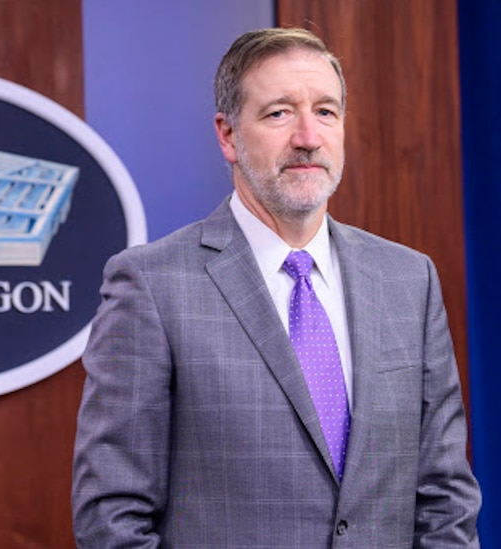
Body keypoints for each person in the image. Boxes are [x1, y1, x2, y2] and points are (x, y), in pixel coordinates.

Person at [71, 27, 481, 547]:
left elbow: (445, 497)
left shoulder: (408, 279)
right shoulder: (152, 285)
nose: (308, 136)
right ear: (228, 136)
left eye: (326, 112)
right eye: (279, 113)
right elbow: (111, 517)